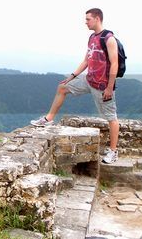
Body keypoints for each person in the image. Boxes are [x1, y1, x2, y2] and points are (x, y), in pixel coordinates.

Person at [30, 8, 120, 164]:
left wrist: (109, 88)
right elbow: (86, 61)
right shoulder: (92, 37)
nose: (85, 22)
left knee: (111, 118)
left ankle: (113, 151)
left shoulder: (109, 39)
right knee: (62, 88)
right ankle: (49, 118)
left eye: (88, 19)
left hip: (102, 85)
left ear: (97, 19)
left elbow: (115, 64)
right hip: (89, 80)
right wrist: (71, 77)